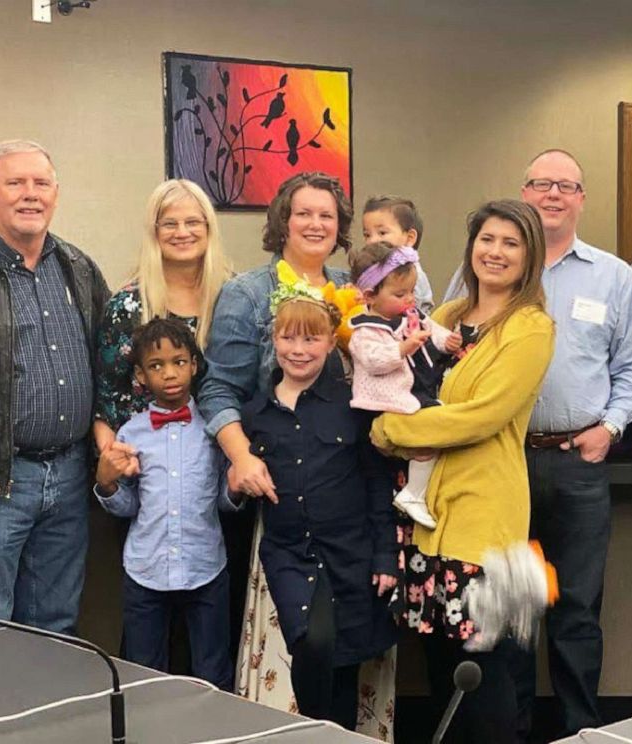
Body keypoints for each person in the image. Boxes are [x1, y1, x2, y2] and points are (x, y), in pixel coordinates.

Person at [444, 150, 632, 737]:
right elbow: (448, 357)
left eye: (567, 186)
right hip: (497, 468)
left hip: (574, 466)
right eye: (542, 183)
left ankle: (580, 733)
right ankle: (507, 734)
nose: (554, 194)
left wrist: (609, 429)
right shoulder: (481, 270)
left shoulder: (613, 276)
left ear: (582, 199)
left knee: (576, 612)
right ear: (525, 191)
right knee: (507, 613)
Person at [198, 172, 395, 737]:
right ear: (282, 219)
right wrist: (243, 459)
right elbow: (218, 390)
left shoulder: (355, 289)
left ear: (340, 228)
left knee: (353, 639)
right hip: (282, 496)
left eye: (327, 215)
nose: (314, 223)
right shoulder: (248, 293)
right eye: (303, 213)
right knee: (305, 642)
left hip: (351, 488)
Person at [372, 199, 555, 744]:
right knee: (439, 666)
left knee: (486, 672)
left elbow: (482, 416)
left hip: (485, 523)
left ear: (530, 257)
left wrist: (390, 431)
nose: (494, 252)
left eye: (510, 243)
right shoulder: (445, 317)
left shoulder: (530, 328)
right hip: (427, 523)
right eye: (486, 239)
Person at [240, 279, 398, 728]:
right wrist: (238, 479)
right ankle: (315, 729)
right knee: (311, 642)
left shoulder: (353, 405)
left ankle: (338, 736)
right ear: (274, 340)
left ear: (332, 342)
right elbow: (234, 488)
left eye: (311, 338)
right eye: (288, 337)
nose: (299, 349)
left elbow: (375, 482)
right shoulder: (256, 414)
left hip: (350, 552)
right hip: (290, 552)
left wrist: (385, 554)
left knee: (345, 659)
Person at [0, 139, 110, 633]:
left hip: (69, 474)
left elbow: (107, 363)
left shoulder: (77, 268)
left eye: (41, 184)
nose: (29, 194)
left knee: (54, 623)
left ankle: (43, 714)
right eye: (15, 183)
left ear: (56, 194)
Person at [94, 318, 241, 689]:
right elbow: (128, 506)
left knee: (213, 670)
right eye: (156, 366)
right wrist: (106, 482)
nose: (170, 373)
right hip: (146, 568)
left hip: (205, 565)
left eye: (178, 361)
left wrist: (235, 489)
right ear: (141, 376)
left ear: (193, 364)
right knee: (144, 672)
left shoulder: (215, 428)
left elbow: (222, 503)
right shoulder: (131, 432)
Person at [93, 178, 231, 449]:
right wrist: (113, 473)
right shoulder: (127, 306)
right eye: (170, 224)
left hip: (217, 457)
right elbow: (107, 401)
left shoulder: (234, 298)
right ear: (154, 232)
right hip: (144, 464)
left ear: (208, 227)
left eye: (192, 222)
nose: (182, 232)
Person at [348, 241, 462, 528]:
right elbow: (373, 361)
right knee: (428, 435)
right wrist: (402, 348)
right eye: (400, 293)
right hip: (385, 401)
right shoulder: (365, 329)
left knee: (432, 436)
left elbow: (432, 330)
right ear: (369, 296)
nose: (409, 299)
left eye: (412, 291)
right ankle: (414, 494)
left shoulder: (411, 315)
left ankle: (415, 491)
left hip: (413, 390)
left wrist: (446, 340)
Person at [362, 195, 435, 313]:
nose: (372, 241)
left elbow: (411, 314)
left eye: (382, 233)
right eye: (367, 235)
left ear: (410, 238)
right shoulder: (372, 268)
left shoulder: (411, 273)